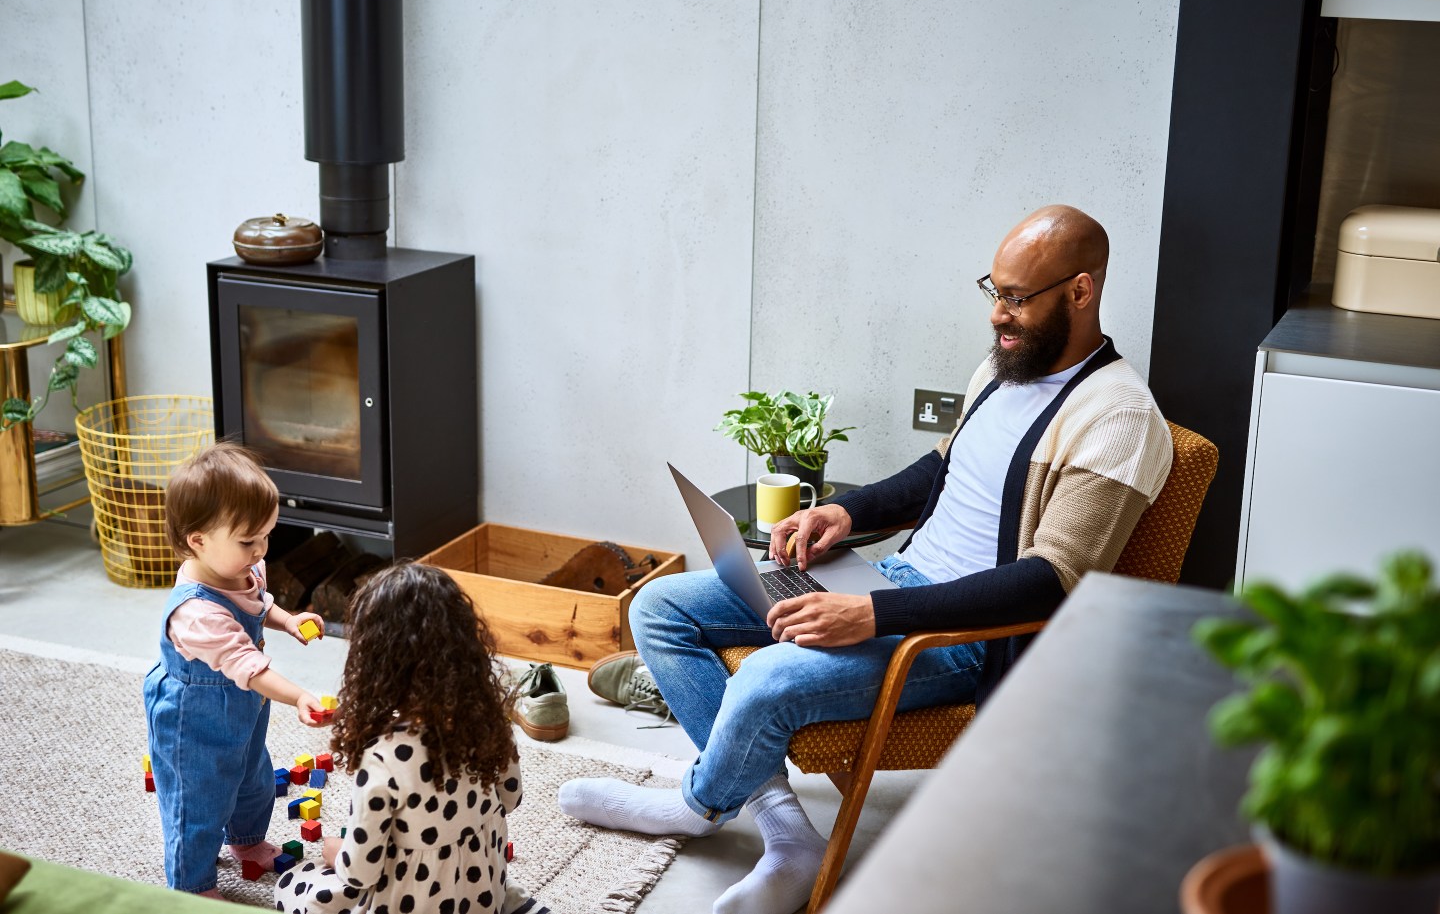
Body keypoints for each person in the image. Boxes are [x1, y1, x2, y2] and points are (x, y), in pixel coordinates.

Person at [559, 204, 1174, 914]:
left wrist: (868, 612)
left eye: (1016, 298)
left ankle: (696, 805)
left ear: (1081, 291)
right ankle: (788, 835)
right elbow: (939, 474)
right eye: (994, 291)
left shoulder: (1119, 417)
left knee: (764, 676)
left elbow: (1046, 584)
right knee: (659, 607)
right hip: (894, 583)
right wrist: (845, 514)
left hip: (962, 640)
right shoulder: (1004, 368)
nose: (997, 315)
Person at [276, 562, 550, 914]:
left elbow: (361, 873)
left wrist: (337, 853)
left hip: (408, 903)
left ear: (373, 664)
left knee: (293, 886)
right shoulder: (489, 720)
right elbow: (510, 800)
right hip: (481, 895)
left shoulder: (383, 760)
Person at [143, 441, 328, 898]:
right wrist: (299, 695)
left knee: (254, 777)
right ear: (198, 541)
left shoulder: (244, 567)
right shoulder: (196, 614)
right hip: (194, 717)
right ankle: (192, 884)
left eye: (266, 534)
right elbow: (247, 664)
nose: (261, 549)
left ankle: (246, 841)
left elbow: (258, 603)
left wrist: (287, 620)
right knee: (198, 802)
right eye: (248, 540)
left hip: (242, 707)